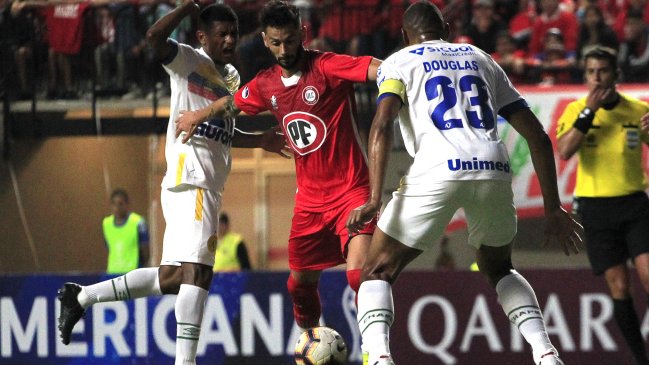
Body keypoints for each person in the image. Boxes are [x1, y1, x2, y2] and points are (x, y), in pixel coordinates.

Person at [345, 2, 583, 365]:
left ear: (405, 35)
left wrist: (375, 198)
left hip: (438, 167)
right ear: (447, 27)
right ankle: (546, 353)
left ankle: (378, 357)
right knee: (500, 268)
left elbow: (381, 125)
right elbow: (536, 134)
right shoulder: (481, 57)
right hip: (493, 165)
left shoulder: (399, 61)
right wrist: (552, 207)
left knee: (377, 270)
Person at [56, 3, 288, 365]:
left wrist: (259, 140)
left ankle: (81, 297)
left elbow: (220, 133)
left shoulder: (230, 77)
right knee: (199, 272)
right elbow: (153, 37)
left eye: (233, 33)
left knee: (172, 277)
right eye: (220, 33)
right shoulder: (187, 59)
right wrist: (188, 7)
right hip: (191, 179)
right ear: (202, 36)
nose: (229, 39)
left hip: (203, 183)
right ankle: (185, 362)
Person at [175, 0, 381, 333]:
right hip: (309, 203)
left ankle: (377, 351)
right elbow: (234, 103)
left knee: (361, 276)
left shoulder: (328, 66)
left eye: (289, 40)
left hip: (351, 192)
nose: (284, 49)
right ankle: (311, 345)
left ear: (302, 33)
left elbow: (376, 68)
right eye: (275, 42)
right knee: (298, 286)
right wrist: (198, 115)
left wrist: (403, 77)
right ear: (265, 41)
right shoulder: (267, 84)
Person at [557, 46, 649, 365]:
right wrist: (588, 114)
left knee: (647, 273)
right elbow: (565, 150)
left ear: (616, 75)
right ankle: (641, 358)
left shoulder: (637, 110)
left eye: (603, 71)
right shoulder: (575, 110)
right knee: (619, 284)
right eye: (591, 72)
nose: (596, 78)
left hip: (635, 203)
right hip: (596, 208)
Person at [103, 188, 150, 274]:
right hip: (112, 272)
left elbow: (145, 251)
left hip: (131, 273)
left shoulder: (138, 222)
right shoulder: (106, 223)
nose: (117, 208)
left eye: (120, 204)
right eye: (114, 204)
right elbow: (109, 248)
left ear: (127, 205)